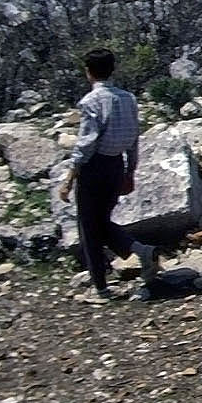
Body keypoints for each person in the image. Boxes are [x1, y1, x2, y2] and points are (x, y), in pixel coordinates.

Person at [57, 48, 160, 304]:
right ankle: (141, 251)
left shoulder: (91, 102)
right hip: (116, 165)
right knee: (101, 221)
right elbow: (134, 138)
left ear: (89, 72)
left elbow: (86, 143)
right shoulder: (128, 99)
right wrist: (130, 170)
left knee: (89, 227)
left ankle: (101, 288)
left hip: (95, 167)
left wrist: (70, 176)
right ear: (112, 69)